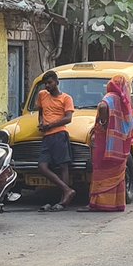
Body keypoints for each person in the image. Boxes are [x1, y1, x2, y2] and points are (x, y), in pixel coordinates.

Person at [80, 75, 133, 212]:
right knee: (117, 175)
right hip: (120, 145)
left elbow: (101, 106)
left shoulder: (109, 98)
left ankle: (97, 203)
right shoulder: (124, 102)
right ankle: (115, 204)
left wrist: (103, 123)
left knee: (100, 172)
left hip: (104, 142)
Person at [35, 70, 76, 212]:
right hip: (46, 136)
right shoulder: (42, 95)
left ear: (57, 82)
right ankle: (67, 190)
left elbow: (68, 118)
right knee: (42, 166)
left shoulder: (66, 98)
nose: (47, 86)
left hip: (59, 134)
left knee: (63, 166)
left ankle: (64, 200)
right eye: (45, 84)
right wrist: (41, 122)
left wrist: (50, 125)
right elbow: (40, 111)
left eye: (50, 83)